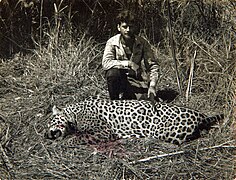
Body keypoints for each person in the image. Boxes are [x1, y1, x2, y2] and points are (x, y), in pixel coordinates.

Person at [102, 10, 159, 100]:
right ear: (118, 27)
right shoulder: (112, 42)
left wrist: (152, 86)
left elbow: (152, 66)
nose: (128, 30)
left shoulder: (142, 42)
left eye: (131, 27)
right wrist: (129, 63)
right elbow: (106, 63)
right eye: (124, 27)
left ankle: (130, 95)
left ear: (135, 27)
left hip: (135, 80)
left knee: (144, 101)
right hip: (119, 80)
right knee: (112, 74)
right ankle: (114, 102)